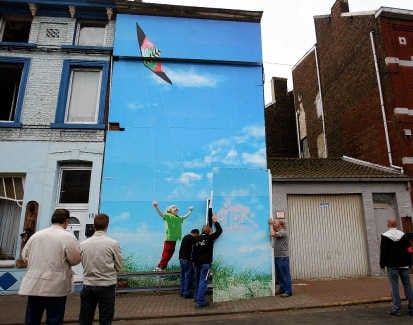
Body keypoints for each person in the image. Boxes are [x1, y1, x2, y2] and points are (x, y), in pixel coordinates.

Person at [18, 208, 81, 325]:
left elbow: (24, 255)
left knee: (32, 319)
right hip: (55, 286)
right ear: (66, 221)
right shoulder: (67, 237)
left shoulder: (37, 235)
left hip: (34, 285)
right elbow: (75, 259)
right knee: (54, 319)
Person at [79, 213, 123, 325]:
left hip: (88, 284)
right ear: (107, 226)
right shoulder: (113, 243)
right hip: (107, 285)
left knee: (85, 318)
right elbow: (119, 265)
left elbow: (82, 262)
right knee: (106, 318)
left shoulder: (83, 244)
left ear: (94, 226)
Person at [380, 218, 413, 316]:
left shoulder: (385, 236)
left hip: (392, 265)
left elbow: (384, 251)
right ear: (396, 224)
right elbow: (409, 249)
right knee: (408, 286)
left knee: (394, 287)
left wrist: (382, 264)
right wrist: (410, 262)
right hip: (404, 265)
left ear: (388, 224)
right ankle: (412, 308)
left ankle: (396, 309)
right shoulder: (403, 235)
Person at [152, 201, 193, 271]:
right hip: (169, 239)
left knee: (170, 254)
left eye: (176, 208)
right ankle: (159, 267)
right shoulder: (168, 216)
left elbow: (185, 217)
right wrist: (156, 207)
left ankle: (163, 267)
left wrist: (190, 211)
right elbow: (161, 214)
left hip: (174, 239)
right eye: (174, 208)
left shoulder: (178, 218)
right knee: (166, 253)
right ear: (170, 210)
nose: (176, 209)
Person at [193, 214, 223, 308]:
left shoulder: (196, 239)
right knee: (203, 281)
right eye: (211, 230)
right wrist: (215, 221)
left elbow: (193, 252)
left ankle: (197, 298)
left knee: (198, 280)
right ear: (209, 231)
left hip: (197, 263)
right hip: (206, 263)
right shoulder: (210, 238)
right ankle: (200, 301)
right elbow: (220, 231)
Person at [269, 218, 292, 298]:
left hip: (283, 257)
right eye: (274, 223)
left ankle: (288, 291)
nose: (274, 224)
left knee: (285, 275)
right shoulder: (278, 232)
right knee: (279, 276)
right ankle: (282, 289)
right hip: (278, 256)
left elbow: (272, 234)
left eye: (275, 223)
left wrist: (270, 225)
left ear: (279, 225)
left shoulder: (283, 232)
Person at [179, 228, 199, 298]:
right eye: (197, 235)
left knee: (182, 276)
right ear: (195, 233)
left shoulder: (185, 237)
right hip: (187, 260)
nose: (196, 236)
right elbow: (197, 244)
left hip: (181, 259)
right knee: (188, 276)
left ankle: (182, 291)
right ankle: (186, 293)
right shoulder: (191, 238)